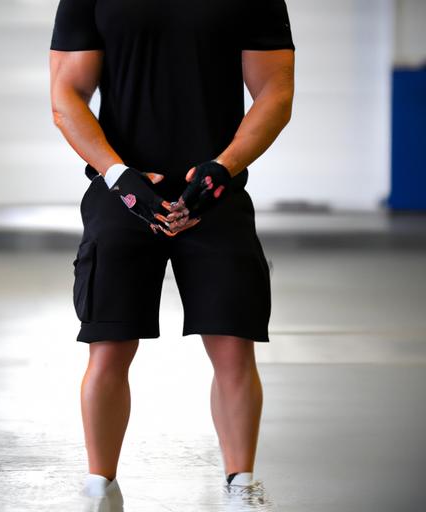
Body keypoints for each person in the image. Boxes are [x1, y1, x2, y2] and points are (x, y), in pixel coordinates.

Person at [49, 0, 295, 509]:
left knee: (233, 345)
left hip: (215, 194)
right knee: (108, 345)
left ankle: (241, 484)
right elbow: (66, 94)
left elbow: (276, 90)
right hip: (122, 193)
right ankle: (100, 487)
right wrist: (119, 177)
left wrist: (224, 169)